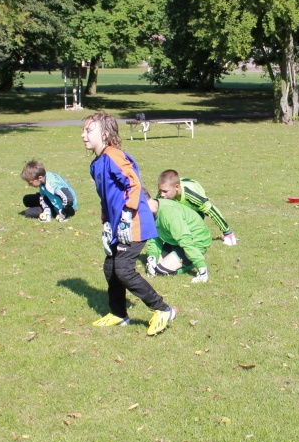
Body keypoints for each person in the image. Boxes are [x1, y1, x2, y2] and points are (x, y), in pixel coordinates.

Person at [81, 112, 175, 335]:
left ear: (104, 134)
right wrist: (106, 223)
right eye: (83, 130)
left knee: (123, 269)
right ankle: (119, 314)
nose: (83, 135)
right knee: (111, 267)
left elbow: (133, 183)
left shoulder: (114, 155)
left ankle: (163, 309)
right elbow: (106, 198)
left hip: (134, 222)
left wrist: (127, 214)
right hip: (117, 225)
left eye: (89, 130)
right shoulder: (96, 164)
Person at [156, 170, 237, 246]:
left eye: (165, 191)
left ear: (176, 187)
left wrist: (227, 232)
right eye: (160, 191)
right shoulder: (162, 195)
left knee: (190, 230)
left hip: (195, 210)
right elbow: (156, 211)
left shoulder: (193, 196)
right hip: (179, 204)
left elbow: (212, 211)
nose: (162, 194)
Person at [145, 197, 213, 283]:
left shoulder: (169, 214)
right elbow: (154, 237)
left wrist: (201, 267)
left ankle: (191, 264)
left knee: (160, 270)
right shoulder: (151, 211)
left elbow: (185, 239)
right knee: (154, 266)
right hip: (175, 241)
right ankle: (181, 258)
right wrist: (152, 257)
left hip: (196, 241)